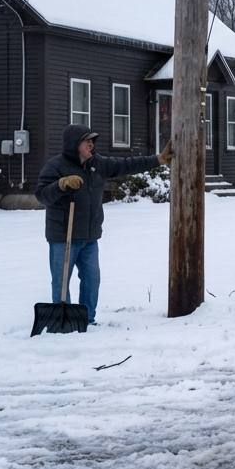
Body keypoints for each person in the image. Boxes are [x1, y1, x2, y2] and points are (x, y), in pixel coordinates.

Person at [35, 125, 173, 324]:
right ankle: (63, 319)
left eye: (93, 140)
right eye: (87, 140)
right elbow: (41, 195)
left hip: (90, 238)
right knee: (61, 281)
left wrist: (158, 160)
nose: (91, 144)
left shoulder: (98, 164)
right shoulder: (55, 166)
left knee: (92, 279)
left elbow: (126, 164)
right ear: (74, 144)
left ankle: (87, 318)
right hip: (63, 237)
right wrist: (60, 184)